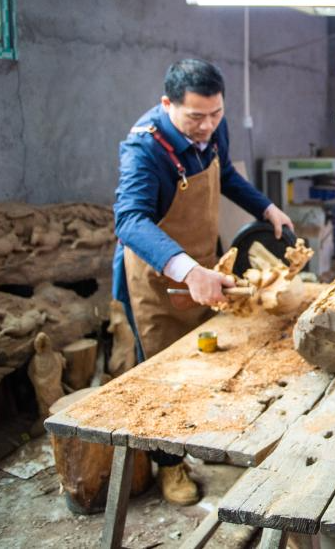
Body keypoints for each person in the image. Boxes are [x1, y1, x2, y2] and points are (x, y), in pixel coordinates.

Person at [112, 58, 293, 505]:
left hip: (204, 267)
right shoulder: (143, 149)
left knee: (209, 361)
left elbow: (225, 173)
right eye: (196, 117)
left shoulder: (212, 126)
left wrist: (266, 208)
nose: (208, 125)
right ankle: (169, 465)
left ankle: (204, 439)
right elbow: (129, 220)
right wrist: (188, 271)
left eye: (216, 114)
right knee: (163, 376)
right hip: (159, 277)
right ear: (167, 104)